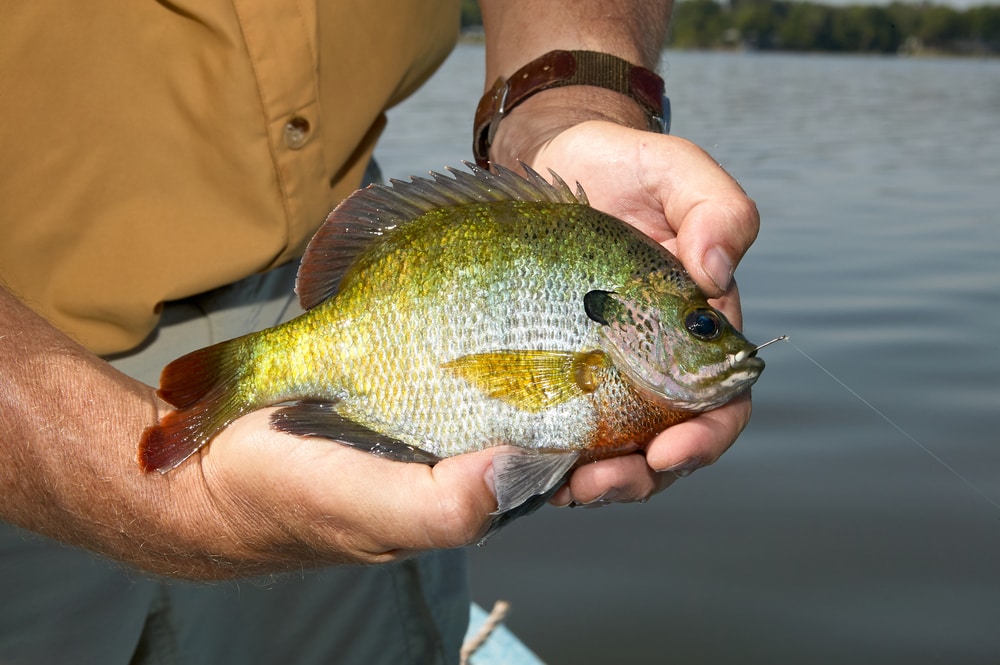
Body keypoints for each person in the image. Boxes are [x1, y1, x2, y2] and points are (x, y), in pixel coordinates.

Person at [0, 0, 759, 663]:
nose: (716, 343)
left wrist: (568, 104)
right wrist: (187, 500)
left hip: (313, 272)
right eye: (698, 328)